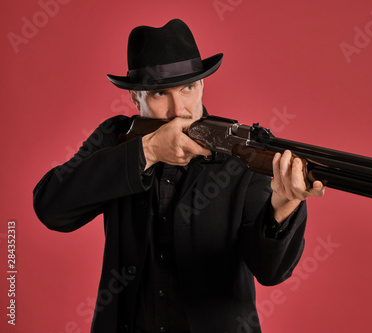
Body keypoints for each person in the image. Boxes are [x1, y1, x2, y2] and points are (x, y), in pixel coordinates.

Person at [33, 19, 324, 333]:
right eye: (160, 94)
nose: (179, 110)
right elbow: (51, 208)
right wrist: (149, 151)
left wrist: (282, 208)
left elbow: (271, 272)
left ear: (201, 85)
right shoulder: (115, 139)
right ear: (135, 98)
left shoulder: (240, 155)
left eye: (188, 87)